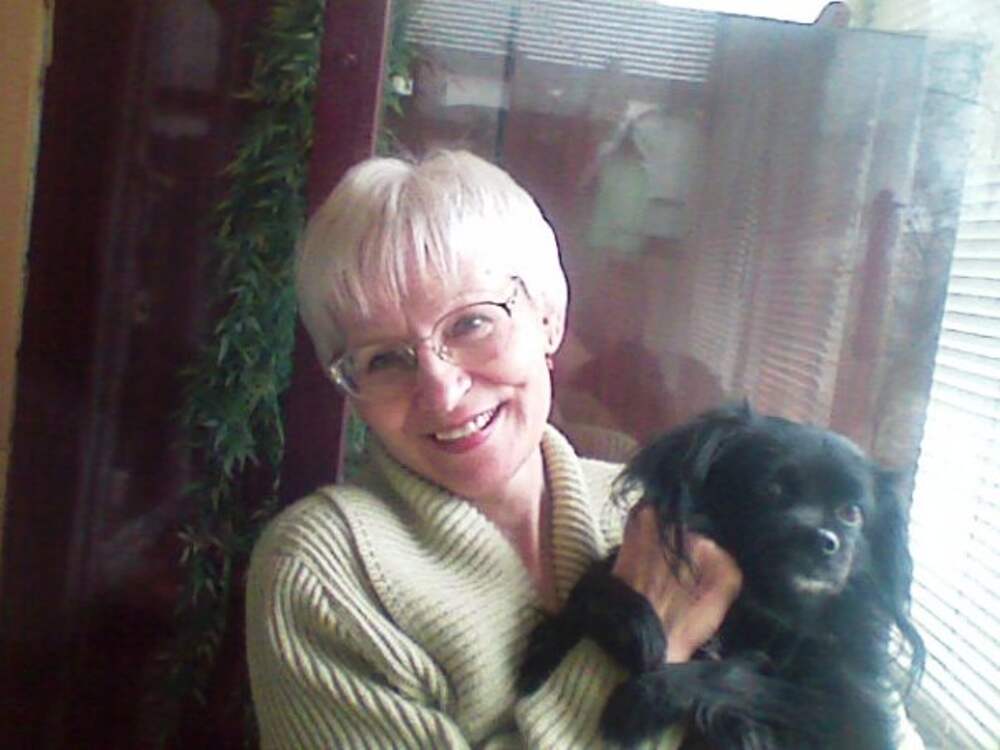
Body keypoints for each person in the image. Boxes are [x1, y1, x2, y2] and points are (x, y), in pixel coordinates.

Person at [244, 149, 745, 748]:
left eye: (471, 323)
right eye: (384, 359)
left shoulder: (654, 508)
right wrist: (641, 647)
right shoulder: (327, 573)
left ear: (549, 317)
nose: (442, 390)